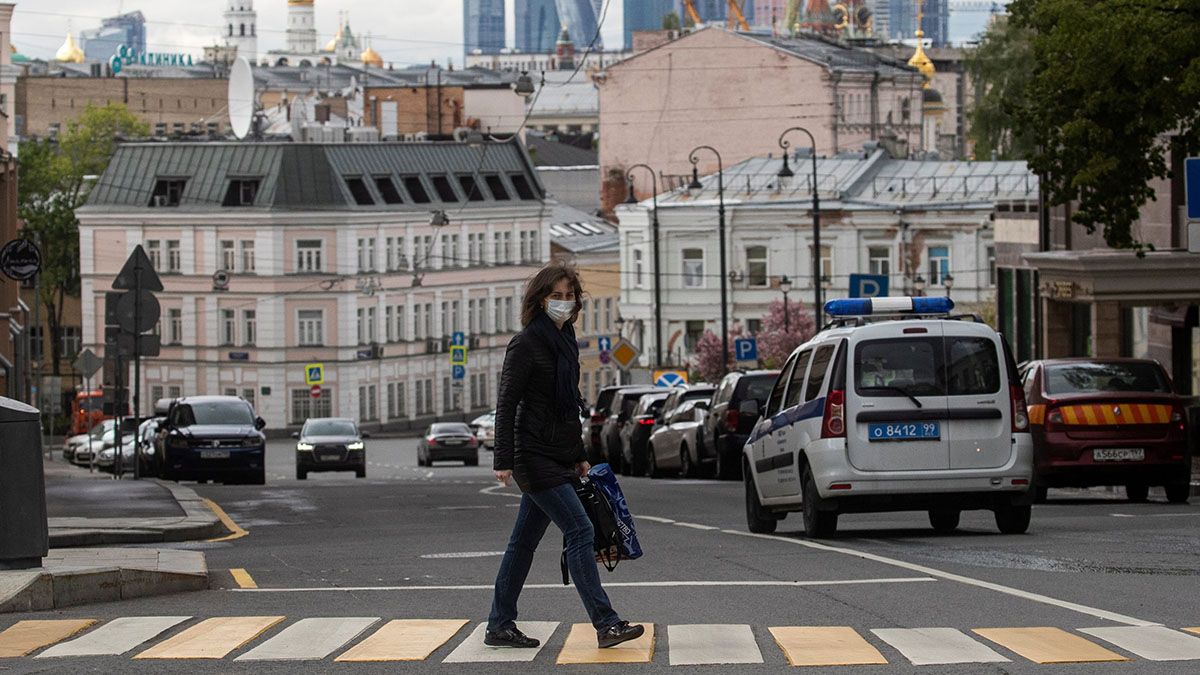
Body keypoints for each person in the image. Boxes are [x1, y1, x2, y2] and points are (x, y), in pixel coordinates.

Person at [486, 262, 645, 650]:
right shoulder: (526, 344)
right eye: (554, 296)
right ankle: (606, 624)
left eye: (568, 295)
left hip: (557, 456)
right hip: (533, 457)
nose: (562, 302)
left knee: (522, 543)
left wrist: (579, 455)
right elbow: (507, 404)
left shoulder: (567, 339)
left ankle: (499, 625)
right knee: (580, 531)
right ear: (539, 300)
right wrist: (502, 459)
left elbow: (568, 405)